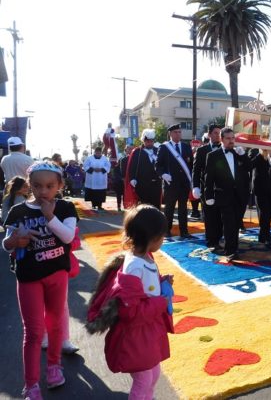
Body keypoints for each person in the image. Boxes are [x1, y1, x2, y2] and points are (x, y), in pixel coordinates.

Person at [2, 161, 79, 398]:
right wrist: (14, 241)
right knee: (34, 332)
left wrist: (49, 216)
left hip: (57, 275)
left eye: (49, 186)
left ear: (60, 185)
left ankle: (54, 367)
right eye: (37, 186)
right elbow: (6, 243)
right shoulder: (18, 211)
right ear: (29, 185)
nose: (43, 191)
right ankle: (31, 383)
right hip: (29, 278)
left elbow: (67, 238)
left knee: (55, 325)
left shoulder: (65, 208)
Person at [86, 204, 173, 399]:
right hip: (136, 335)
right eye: (162, 236)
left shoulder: (145, 256)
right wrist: (161, 302)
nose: (163, 239)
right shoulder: (134, 267)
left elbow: (145, 288)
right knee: (143, 380)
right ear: (152, 238)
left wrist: (161, 282)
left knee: (153, 375)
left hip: (148, 330)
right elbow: (130, 311)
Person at [204, 128, 251, 261]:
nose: (231, 141)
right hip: (224, 195)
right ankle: (231, 250)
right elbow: (209, 177)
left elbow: (249, 167)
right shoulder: (213, 156)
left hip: (240, 196)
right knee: (229, 223)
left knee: (236, 223)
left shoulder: (238, 153)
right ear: (222, 139)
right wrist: (208, 195)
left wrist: (243, 156)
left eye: (233, 138)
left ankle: (233, 247)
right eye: (228, 138)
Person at [156, 124, 194, 239]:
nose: (178, 134)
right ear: (170, 134)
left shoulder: (186, 147)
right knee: (169, 209)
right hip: (170, 183)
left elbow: (191, 165)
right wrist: (163, 174)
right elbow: (158, 165)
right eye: (176, 132)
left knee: (183, 209)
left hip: (183, 184)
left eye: (179, 132)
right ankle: (167, 231)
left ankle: (184, 231)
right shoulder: (164, 147)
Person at [192, 124, 223, 249]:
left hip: (222, 189)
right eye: (216, 133)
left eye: (220, 133)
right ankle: (211, 241)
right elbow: (196, 170)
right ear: (209, 134)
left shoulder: (225, 149)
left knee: (220, 216)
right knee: (209, 216)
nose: (218, 136)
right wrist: (195, 186)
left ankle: (219, 237)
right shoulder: (202, 150)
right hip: (206, 189)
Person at [127, 129, 162, 209]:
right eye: (148, 141)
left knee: (156, 207)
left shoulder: (158, 151)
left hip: (156, 184)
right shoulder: (137, 152)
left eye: (151, 141)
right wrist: (132, 178)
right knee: (144, 207)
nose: (150, 143)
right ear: (143, 141)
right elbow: (132, 166)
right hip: (142, 184)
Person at [251, 149, 271, 245]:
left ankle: (264, 235)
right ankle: (265, 236)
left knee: (270, 212)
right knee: (263, 213)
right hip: (260, 189)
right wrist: (260, 155)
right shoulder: (257, 155)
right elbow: (250, 165)